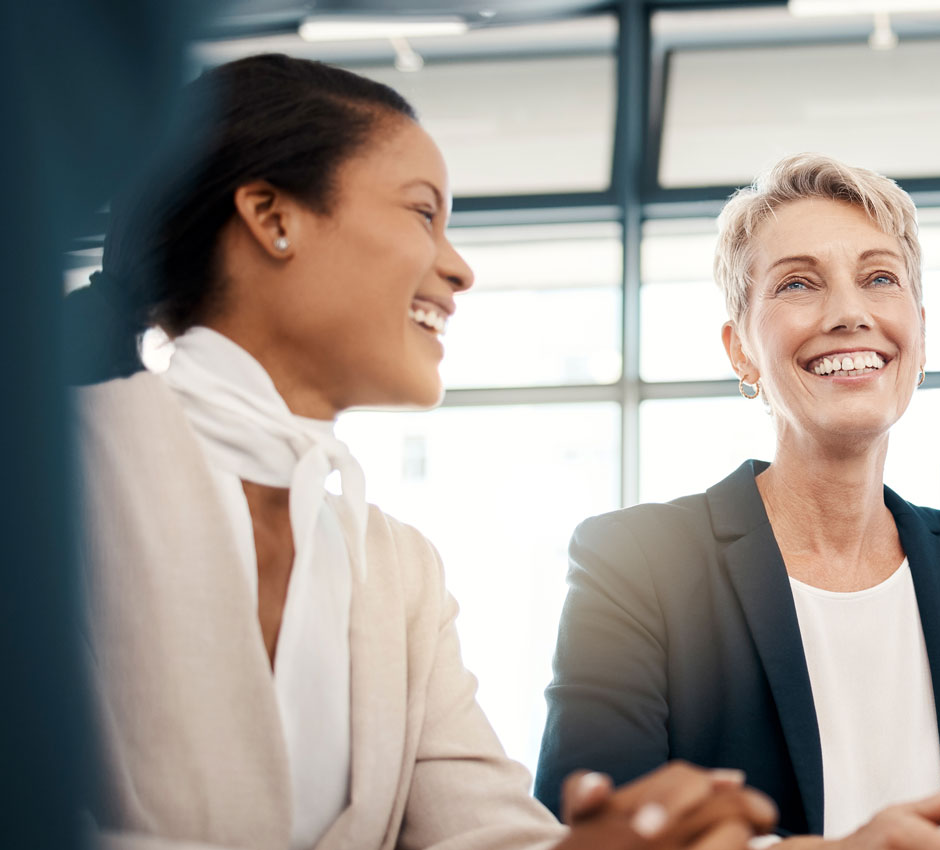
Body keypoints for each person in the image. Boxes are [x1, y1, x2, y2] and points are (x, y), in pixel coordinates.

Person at [70, 54, 776, 850]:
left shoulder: (398, 570)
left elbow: (487, 834)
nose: (459, 267)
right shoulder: (53, 474)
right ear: (273, 217)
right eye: (422, 214)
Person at [535, 153, 940, 850]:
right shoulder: (638, 560)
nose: (849, 313)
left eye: (879, 278)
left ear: (917, 333)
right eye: (798, 283)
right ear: (741, 351)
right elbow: (593, 830)